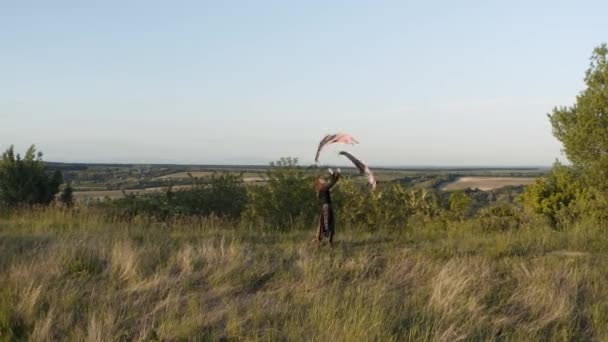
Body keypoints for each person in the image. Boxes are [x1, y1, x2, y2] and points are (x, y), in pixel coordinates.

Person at [314, 168, 341, 245]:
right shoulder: (323, 188)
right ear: (320, 182)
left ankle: (320, 239)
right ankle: (327, 239)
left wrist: (333, 175)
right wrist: (335, 174)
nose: (324, 180)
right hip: (327, 207)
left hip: (325, 207)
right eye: (322, 180)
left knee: (323, 222)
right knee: (328, 223)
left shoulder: (321, 189)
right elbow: (332, 183)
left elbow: (331, 183)